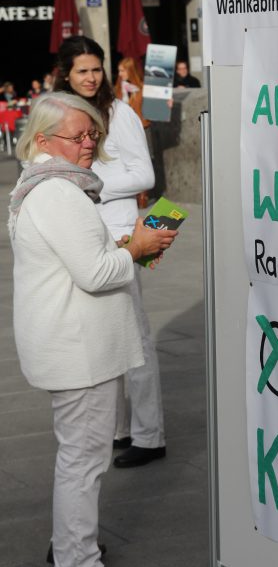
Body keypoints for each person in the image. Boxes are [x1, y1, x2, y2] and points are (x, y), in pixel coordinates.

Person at [9, 91, 177, 567]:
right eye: (78, 136)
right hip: (78, 347)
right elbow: (95, 272)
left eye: (93, 135)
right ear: (43, 140)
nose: (89, 144)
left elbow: (82, 258)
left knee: (78, 454)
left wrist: (129, 246)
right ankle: (78, 565)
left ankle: (70, 544)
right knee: (84, 458)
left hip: (69, 341)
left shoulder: (43, 182)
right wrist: (138, 248)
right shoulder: (59, 192)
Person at [54, 35, 168, 468]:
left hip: (121, 234)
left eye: (96, 69)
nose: (90, 77)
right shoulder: (62, 112)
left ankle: (149, 433)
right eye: (82, 70)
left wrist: (90, 185)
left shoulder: (118, 113)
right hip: (78, 233)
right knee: (101, 335)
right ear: (66, 72)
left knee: (134, 335)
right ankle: (120, 429)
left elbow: (144, 174)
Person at [114, 57, 150, 208]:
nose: (120, 74)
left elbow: (152, 112)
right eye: (119, 71)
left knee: (143, 162)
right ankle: (132, 194)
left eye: (123, 70)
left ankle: (143, 196)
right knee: (126, 162)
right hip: (123, 131)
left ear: (131, 70)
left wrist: (165, 104)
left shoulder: (143, 89)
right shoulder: (119, 89)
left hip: (142, 129)